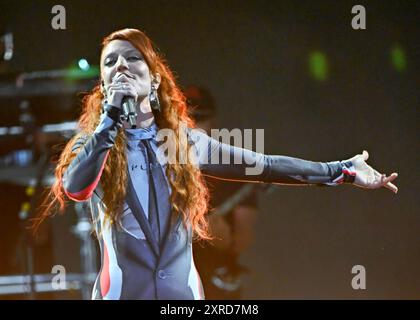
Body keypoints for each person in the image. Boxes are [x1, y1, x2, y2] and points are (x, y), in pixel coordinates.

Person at [38, 28, 398, 300]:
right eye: (110, 61)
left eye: (133, 58)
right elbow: (75, 188)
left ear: (155, 79)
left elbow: (266, 165)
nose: (121, 66)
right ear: (103, 82)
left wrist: (342, 170)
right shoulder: (95, 143)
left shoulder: (183, 143)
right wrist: (109, 122)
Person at [185, 85, 259, 299]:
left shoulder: (234, 170)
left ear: (213, 122)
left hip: (214, 280)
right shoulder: (155, 168)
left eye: (201, 118)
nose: (194, 125)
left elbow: (244, 233)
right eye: (187, 118)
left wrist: (222, 241)